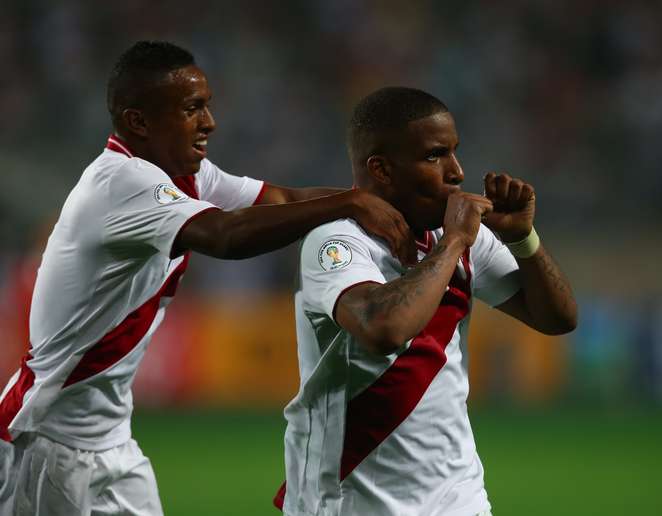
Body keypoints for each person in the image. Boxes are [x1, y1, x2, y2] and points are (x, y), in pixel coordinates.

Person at [0, 41, 417, 516]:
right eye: (192, 109)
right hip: (45, 443)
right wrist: (351, 204)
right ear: (139, 122)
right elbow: (225, 236)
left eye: (207, 106)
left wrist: (390, 201)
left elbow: (280, 201)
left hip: (110, 441)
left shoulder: (185, 176)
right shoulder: (119, 183)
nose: (209, 122)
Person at [276, 87, 578, 515]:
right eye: (435, 155)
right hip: (348, 500)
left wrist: (521, 238)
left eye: (455, 152)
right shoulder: (336, 241)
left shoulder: (459, 239)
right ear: (380, 168)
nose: (456, 171)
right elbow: (383, 329)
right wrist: (454, 241)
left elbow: (559, 317)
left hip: (458, 498)